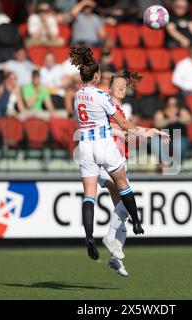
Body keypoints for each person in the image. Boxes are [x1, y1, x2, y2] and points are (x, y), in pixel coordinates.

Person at [69, 45, 170, 261]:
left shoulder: (77, 96)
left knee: (89, 195)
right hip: (104, 145)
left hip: (85, 147)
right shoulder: (101, 96)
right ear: (97, 76)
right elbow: (123, 122)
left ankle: (89, 237)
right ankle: (136, 221)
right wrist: (142, 131)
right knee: (123, 184)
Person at [100, 70, 150, 277]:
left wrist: (129, 137)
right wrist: (122, 132)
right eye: (117, 84)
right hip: (104, 159)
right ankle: (110, 239)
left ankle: (115, 256)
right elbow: (100, 128)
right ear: (109, 87)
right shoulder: (104, 103)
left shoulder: (120, 109)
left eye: (124, 85)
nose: (121, 86)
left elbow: (124, 130)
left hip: (119, 160)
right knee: (124, 202)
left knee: (124, 212)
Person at [153, 96, 192, 170]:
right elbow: (157, 124)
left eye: (174, 105)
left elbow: (188, 119)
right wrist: (169, 120)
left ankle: (177, 164)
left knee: (179, 143)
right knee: (155, 142)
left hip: (179, 136)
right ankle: (164, 163)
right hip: (164, 138)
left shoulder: (182, 111)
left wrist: (177, 119)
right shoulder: (160, 112)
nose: (172, 107)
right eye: (169, 104)